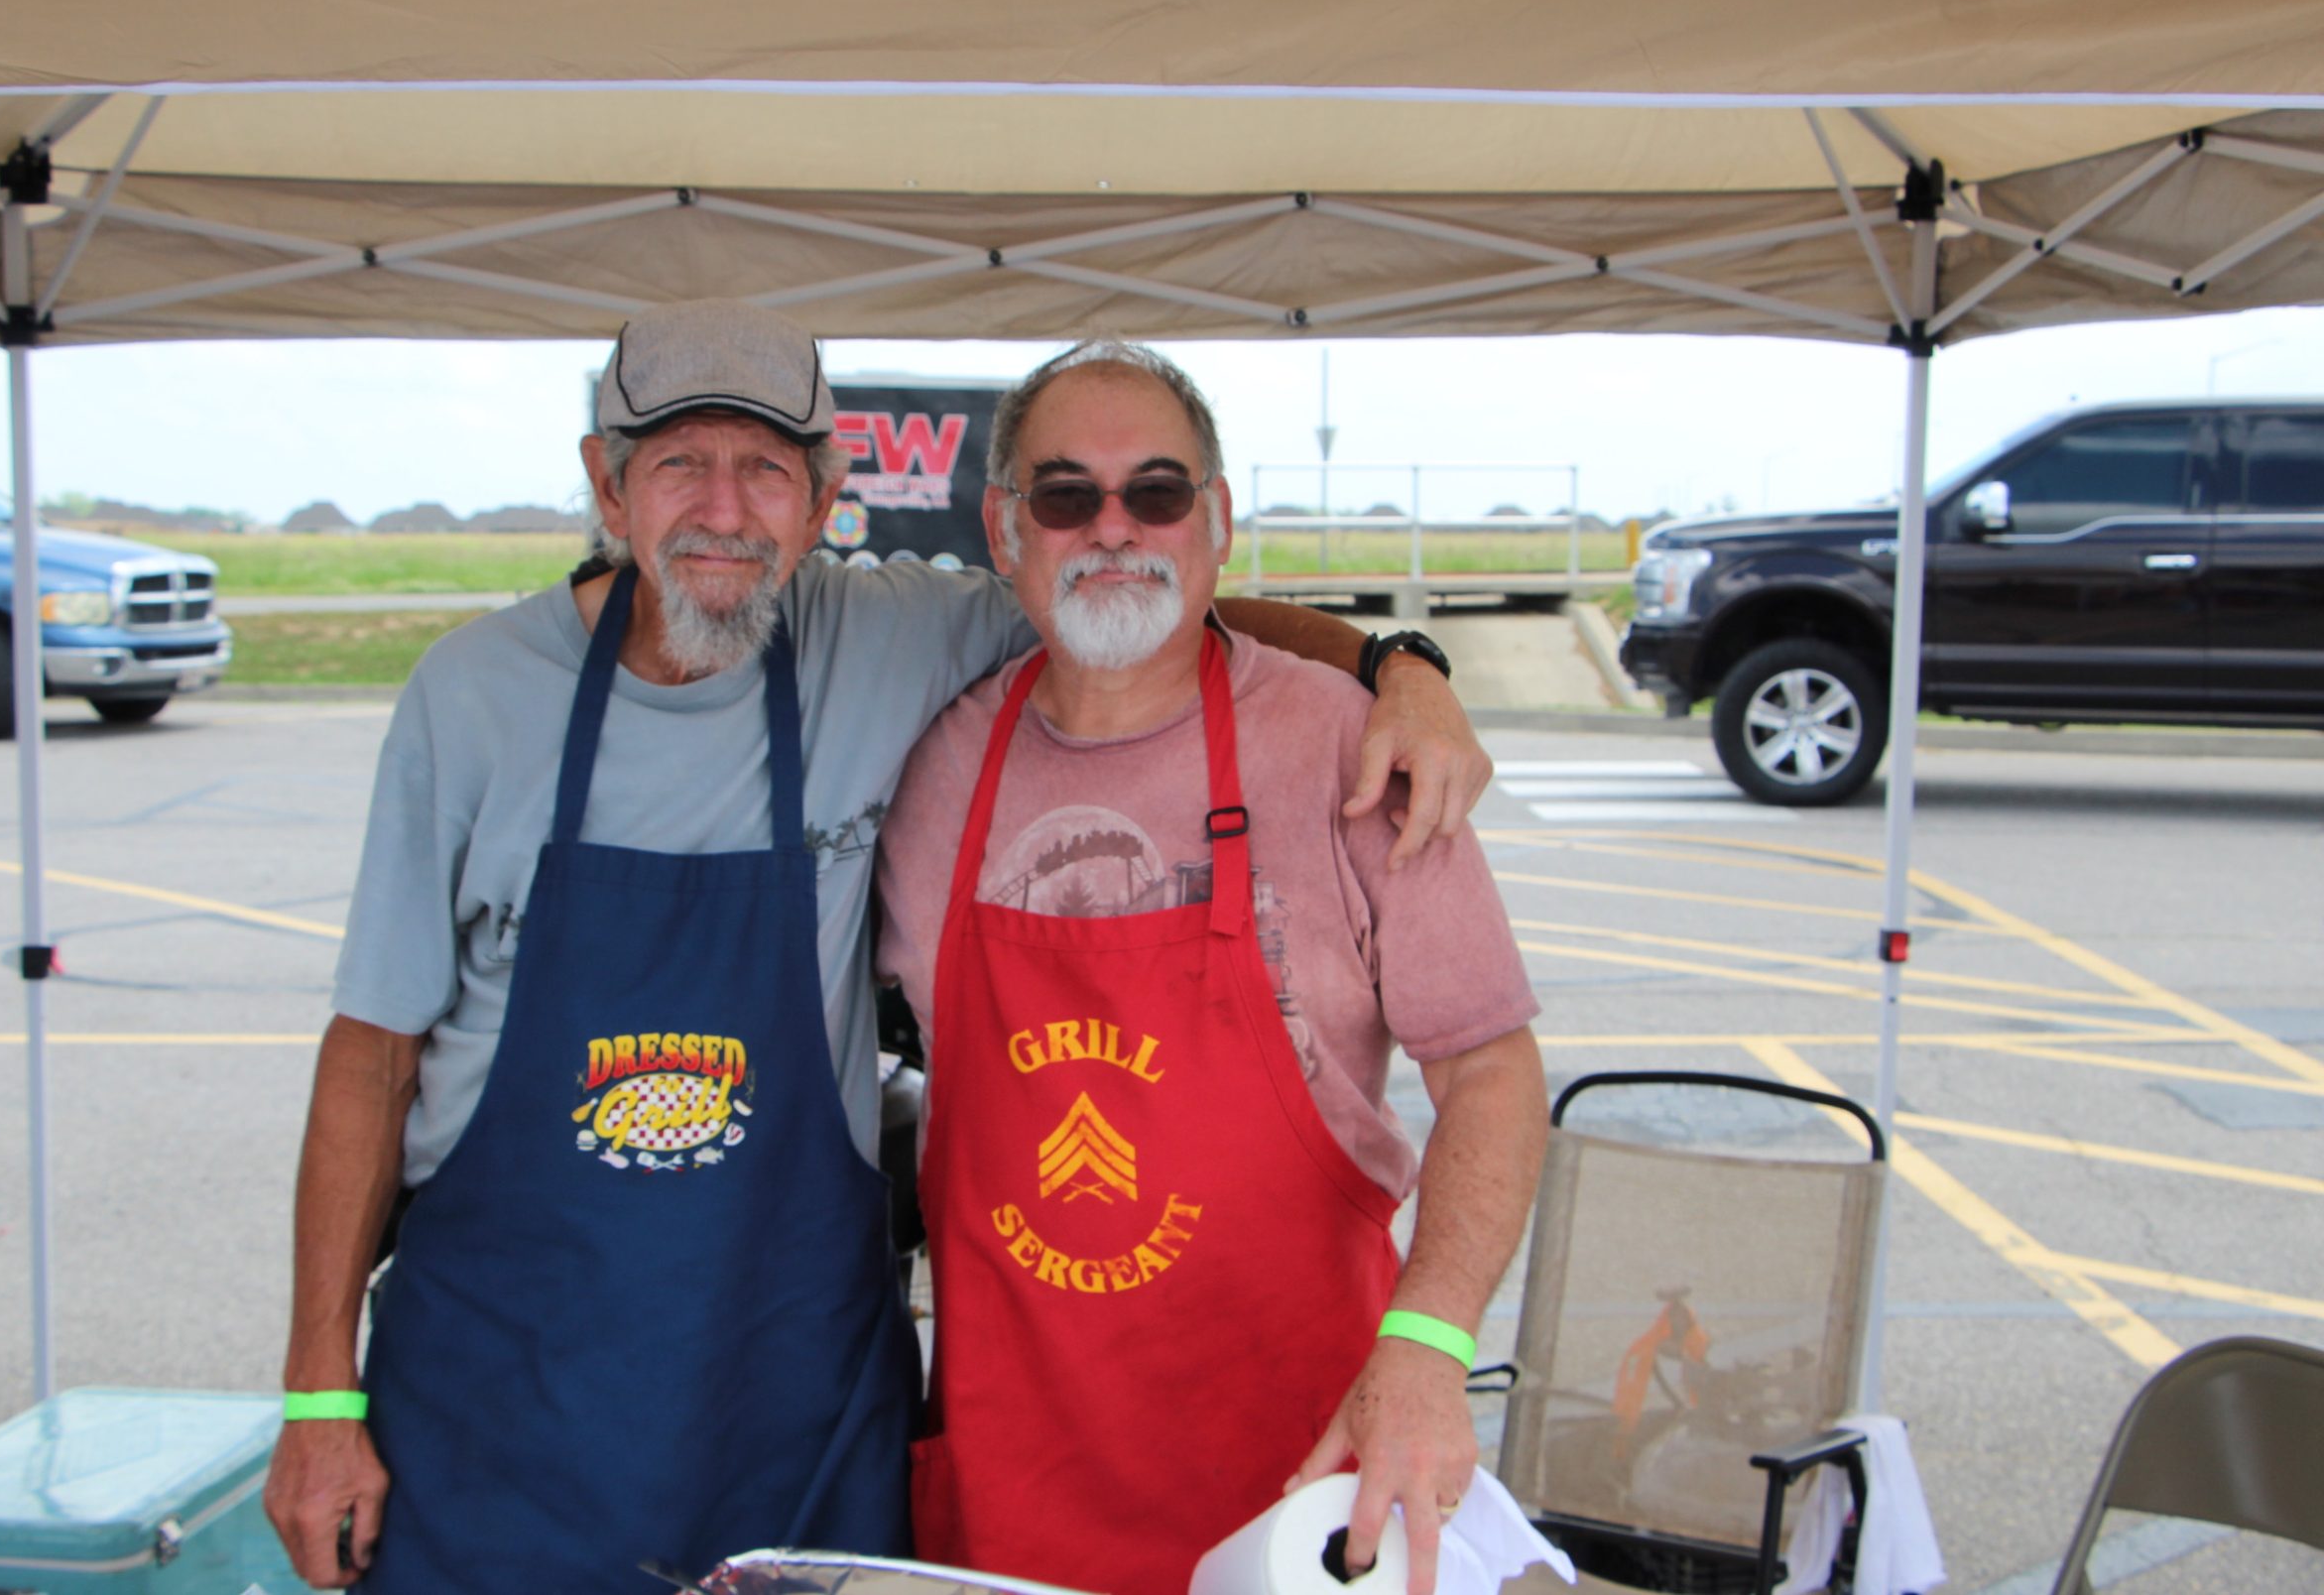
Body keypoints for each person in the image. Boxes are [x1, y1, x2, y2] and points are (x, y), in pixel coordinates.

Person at [263, 301, 1494, 1592]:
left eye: (766, 468)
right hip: (503, 1397)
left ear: (823, 496)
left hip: (788, 1401)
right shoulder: (468, 697)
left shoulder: (891, 636)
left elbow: (1149, 589)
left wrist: (1399, 665)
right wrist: (315, 1395)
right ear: (607, 486)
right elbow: (371, 1054)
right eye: (679, 463)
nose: (724, 510)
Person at [875, 341, 1548, 1595]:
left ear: (1218, 520)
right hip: (1013, 1492)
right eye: (1065, 495)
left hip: (1297, 1489)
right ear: (1005, 529)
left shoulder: (1354, 748)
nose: (1113, 528)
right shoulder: (932, 767)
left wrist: (1429, 1342)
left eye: (1158, 492)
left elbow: (1491, 1069)